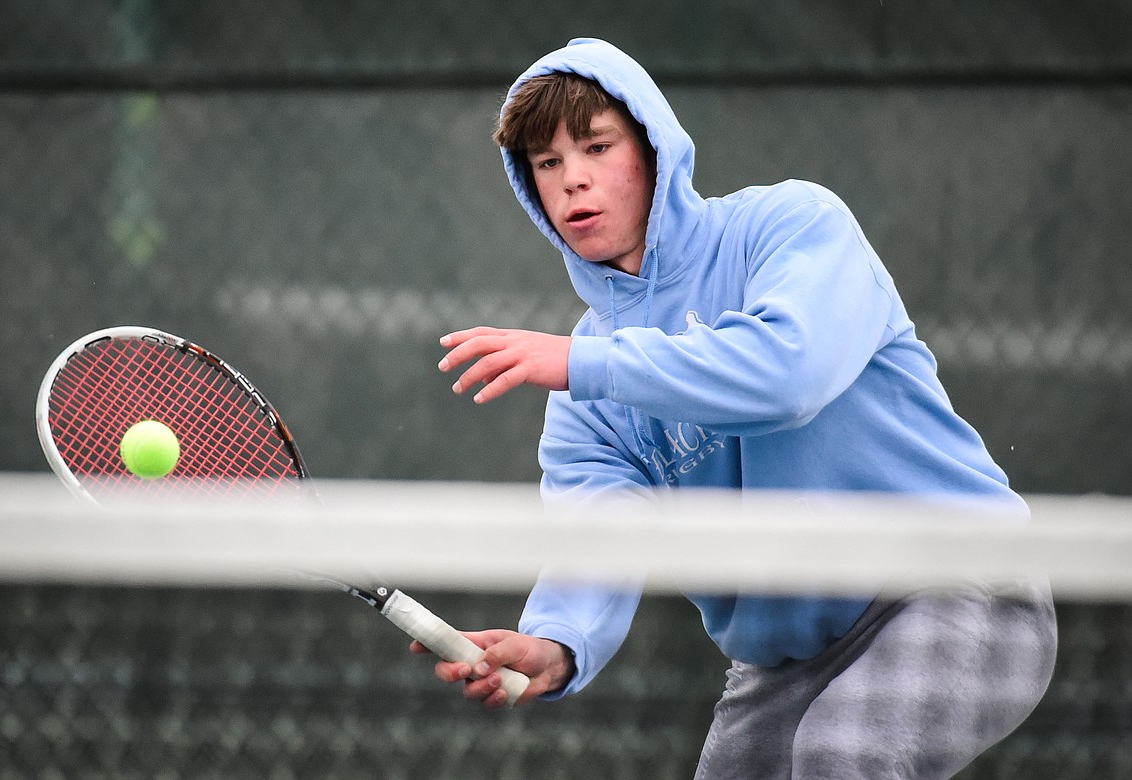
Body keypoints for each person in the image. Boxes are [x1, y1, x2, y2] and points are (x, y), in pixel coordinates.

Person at [413, 38, 1057, 779]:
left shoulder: (792, 226)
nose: (573, 181)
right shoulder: (586, 391)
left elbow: (789, 374)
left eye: (596, 146)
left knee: (842, 758)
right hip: (786, 660)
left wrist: (585, 362)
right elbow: (602, 535)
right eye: (547, 162)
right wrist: (557, 642)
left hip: (962, 585)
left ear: (654, 151)